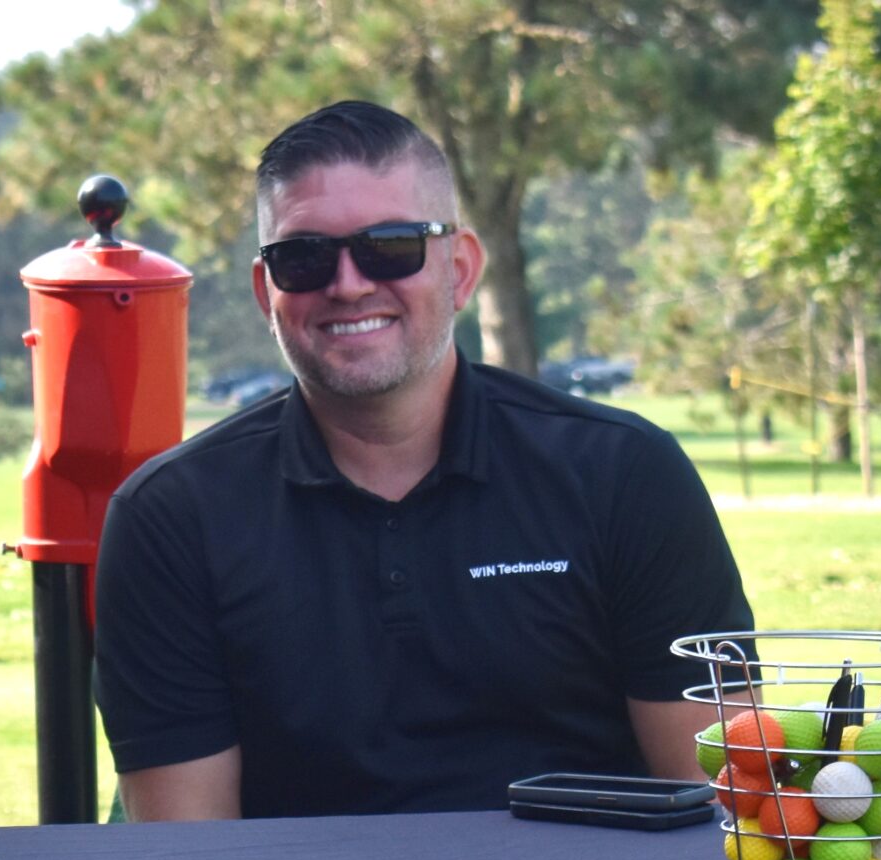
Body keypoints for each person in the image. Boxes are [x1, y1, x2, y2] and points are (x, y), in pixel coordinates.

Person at [95, 101, 751, 821]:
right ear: (266, 292)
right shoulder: (171, 518)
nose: (347, 284)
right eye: (304, 257)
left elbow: (725, 812)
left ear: (461, 269)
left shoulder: (626, 475)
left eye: (390, 246)